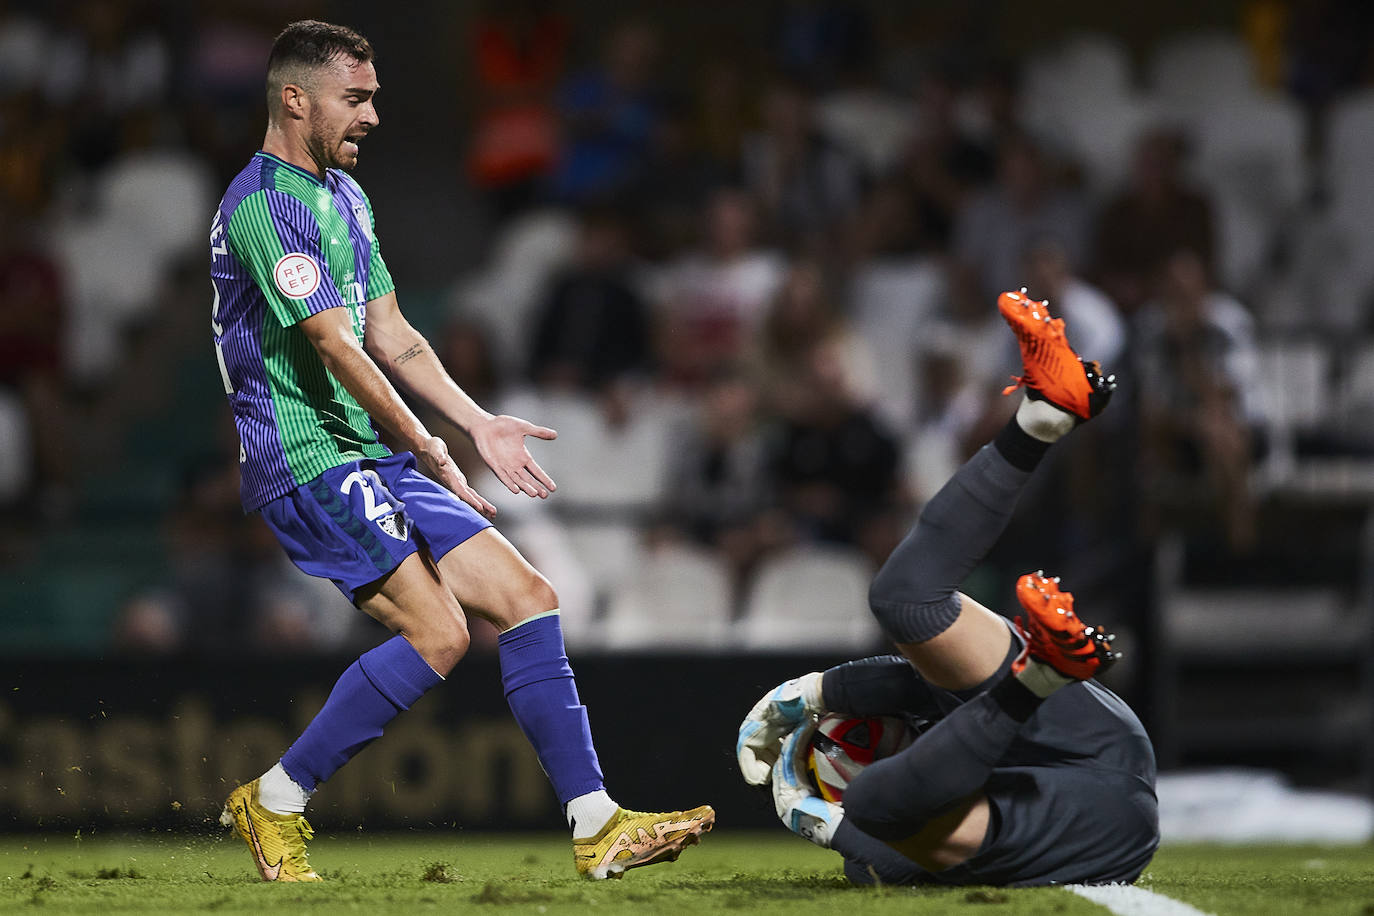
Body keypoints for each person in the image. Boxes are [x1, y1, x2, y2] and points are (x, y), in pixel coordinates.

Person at [210, 20, 712, 883]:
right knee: (439, 633)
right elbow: (335, 346)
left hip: (371, 449)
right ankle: (277, 799)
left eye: (373, 97)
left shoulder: (348, 197)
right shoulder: (264, 206)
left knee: (527, 596)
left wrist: (476, 423)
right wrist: (431, 446)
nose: (371, 116)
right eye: (354, 98)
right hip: (307, 457)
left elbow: (391, 332)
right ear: (295, 99)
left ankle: (598, 825)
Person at [737, 289, 1158, 886]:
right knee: (879, 803)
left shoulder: (928, 718)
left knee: (903, 603)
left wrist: (807, 694)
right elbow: (879, 857)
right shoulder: (873, 838)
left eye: (853, 735)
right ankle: (1035, 677)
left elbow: (906, 681)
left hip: (1091, 737)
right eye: (854, 753)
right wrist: (824, 823)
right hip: (1091, 826)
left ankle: (1041, 418)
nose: (864, 743)